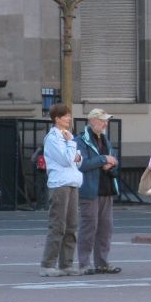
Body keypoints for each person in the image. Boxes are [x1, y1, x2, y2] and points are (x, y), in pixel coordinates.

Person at [76, 108, 121, 275]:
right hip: (89, 191)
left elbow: (114, 158)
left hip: (106, 189)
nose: (105, 123)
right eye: (102, 120)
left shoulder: (105, 140)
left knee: (105, 229)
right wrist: (104, 159)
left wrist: (111, 163)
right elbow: (82, 164)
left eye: (106, 120)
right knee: (89, 227)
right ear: (92, 121)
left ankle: (102, 262)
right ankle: (84, 264)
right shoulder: (81, 140)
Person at [40, 103, 83, 278]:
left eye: (69, 115)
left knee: (72, 226)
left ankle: (66, 264)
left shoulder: (67, 137)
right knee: (58, 225)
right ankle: (47, 264)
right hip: (59, 185)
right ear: (57, 118)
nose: (69, 119)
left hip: (72, 183)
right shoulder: (53, 138)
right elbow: (66, 160)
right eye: (66, 116)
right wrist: (71, 144)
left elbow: (78, 160)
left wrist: (73, 150)